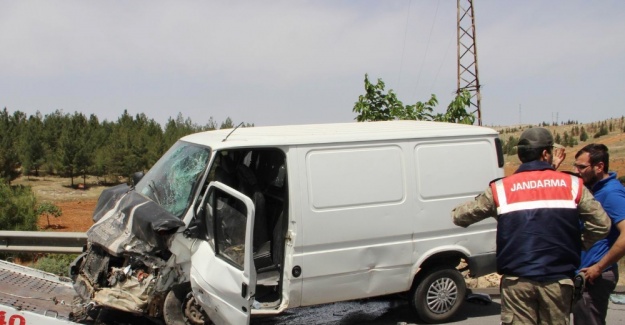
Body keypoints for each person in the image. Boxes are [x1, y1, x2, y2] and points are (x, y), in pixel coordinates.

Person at [451, 127, 611, 325]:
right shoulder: (572, 185)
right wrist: (577, 244)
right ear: (545, 153)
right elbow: (602, 224)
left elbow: (460, 217)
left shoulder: (501, 188)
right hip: (558, 281)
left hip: (517, 283)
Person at [572, 144, 625, 325]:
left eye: (581, 167)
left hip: (595, 277)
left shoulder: (611, 193)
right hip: (586, 275)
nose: (577, 171)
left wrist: (599, 267)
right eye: (575, 166)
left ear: (599, 167)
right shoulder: (593, 189)